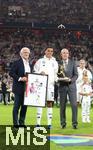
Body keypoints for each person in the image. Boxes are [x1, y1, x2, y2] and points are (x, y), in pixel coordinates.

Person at [34, 47, 58, 129]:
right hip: (41, 85)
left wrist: (57, 80)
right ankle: (38, 123)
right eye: (48, 51)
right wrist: (40, 72)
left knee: (50, 103)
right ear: (45, 52)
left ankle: (49, 124)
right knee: (40, 103)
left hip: (50, 86)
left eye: (51, 51)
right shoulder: (40, 61)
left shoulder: (55, 62)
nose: (50, 52)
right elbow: (34, 71)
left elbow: (55, 74)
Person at [9, 47, 31, 128]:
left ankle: (22, 123)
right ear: (21, 54)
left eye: (28, 52)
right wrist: (20, 78)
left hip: (27, 89)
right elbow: (11, 73)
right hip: (18, 88)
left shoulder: (29, 64)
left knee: (24, 107)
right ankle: (16, 124)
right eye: (25, 52)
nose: (26, 54)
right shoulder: (17, 62)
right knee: (16, 107)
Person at [58, 48, 78, 129]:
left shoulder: (73, 63)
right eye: (63, 53)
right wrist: (58, 79)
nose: (65, 54)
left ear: (68, 54)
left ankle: (74, 123)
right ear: (61, 54)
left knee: (74, 105)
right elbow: (56, 75)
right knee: (62, 106)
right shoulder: (58, 63)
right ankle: (63, 123)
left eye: (66, 53)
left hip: (71, 87)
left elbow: (76, 75)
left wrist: (71, 80)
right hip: (62, 86)